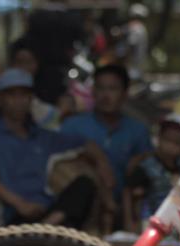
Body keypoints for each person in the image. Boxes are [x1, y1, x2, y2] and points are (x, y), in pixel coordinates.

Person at [0, 68, 116, 230]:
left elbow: (87, 144)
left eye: (24, 95)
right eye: (12, 95)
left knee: (84, 184)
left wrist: (103, 163)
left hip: (49, 212)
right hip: (13, 215)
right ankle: (41, 231)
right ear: (0, 99)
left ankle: (44, 228)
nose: (19, 101)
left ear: (31, 99)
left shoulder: (42, 136)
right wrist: (21, 204)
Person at [61, 64, 153, 209]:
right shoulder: (72, 126)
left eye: (113, 89)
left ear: (125, 93)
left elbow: (148, 168)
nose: (106, 95)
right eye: (101, 88)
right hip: (79, 209)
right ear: (93, 91)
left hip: (123, 208)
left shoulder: (138, 130)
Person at [123, 118, 180, 233]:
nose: (172, 146)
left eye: (177, 142)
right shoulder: (146, 167)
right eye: (168, 140)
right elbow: (128, 194)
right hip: (151, 224)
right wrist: (130, 222)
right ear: (159, 139)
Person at [7, 39, 62, 130]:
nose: (24, 68)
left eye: (29, 62)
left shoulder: (51, 91)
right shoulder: (4, 90)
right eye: (19, 62)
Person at [119, 4, 150, 79]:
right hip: (138, 66)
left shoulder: (136, 29)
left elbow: (131, 46)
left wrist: (125, 62)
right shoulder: (141, 28)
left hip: (133, 67)